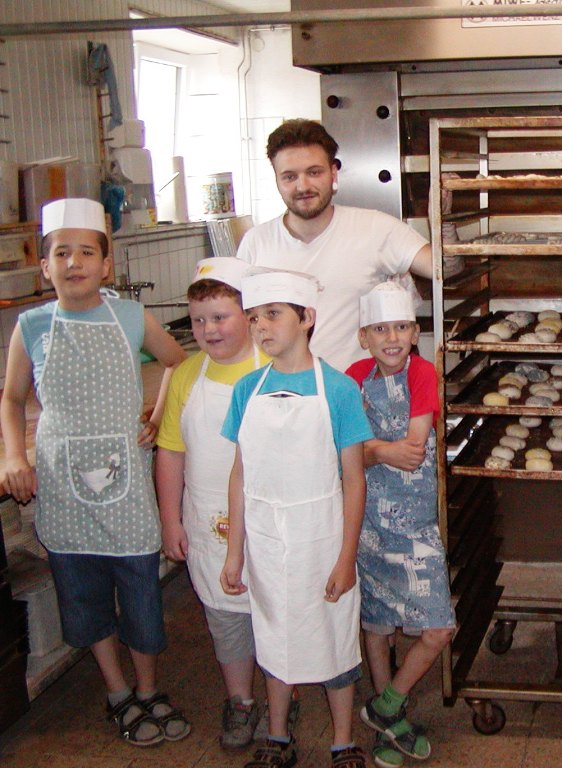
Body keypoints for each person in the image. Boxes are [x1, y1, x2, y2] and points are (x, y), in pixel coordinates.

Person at [0, 198, 189, 746]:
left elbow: (177, 361)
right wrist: (14, 455)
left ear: (107, 265)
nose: (75, 262)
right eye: (62, 252)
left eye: (87, 251)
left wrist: (156, 416)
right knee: (82, 592)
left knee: (138, 592)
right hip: (62, 480)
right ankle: (117, 692)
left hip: (124, 478)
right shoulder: (31, 325)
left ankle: (149, 689)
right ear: (45, 265)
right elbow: (11, 399)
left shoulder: (130, 316)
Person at [220, 268, 374, 768]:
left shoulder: (338, 390)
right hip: (266, 541)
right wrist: (234, 551)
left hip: (322, 538)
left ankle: (343, 739)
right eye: (253, 317)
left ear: (307, 318)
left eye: (273, 314)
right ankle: (279, 737)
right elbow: (240, 475)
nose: (261, 327)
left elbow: (355, 479)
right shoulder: (247, 389)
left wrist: (346, 557)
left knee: (333, 638)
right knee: (275, 637)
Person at [154, 257, 271, 749]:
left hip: (268, 519)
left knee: (274, 612)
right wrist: (169, 519)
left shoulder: (272, 369)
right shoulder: (185, 375)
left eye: (220, 316)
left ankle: (282, 691)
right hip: (205, 522)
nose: (208, 329)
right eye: (198, 320)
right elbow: (170, 451)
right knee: (225, 618)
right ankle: (241, 700)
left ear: (249, 315)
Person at [344, 281, 455, 768]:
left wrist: (369, 451)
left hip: (415, 526)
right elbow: (340, 449)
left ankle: (385, 703)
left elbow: (413, 450)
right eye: (379, 329)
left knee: (437, 628)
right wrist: (374, 452)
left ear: (415, 332)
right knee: (378, 622)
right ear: (363, 336)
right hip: (366, 521)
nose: (391, 337)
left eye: (402, 327)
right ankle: (391, 726)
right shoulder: (351, 377)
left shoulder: (424, 373)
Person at [237, 118, 434, 372]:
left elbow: (442, 269)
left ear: (333, 173)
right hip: (284, 400)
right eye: (289, 176)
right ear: (276, 179)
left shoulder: (375, 229)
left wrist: (442, 220)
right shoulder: (256, 243)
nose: (303, 186)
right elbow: (241, 328)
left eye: (314, 172)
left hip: (360, 401)